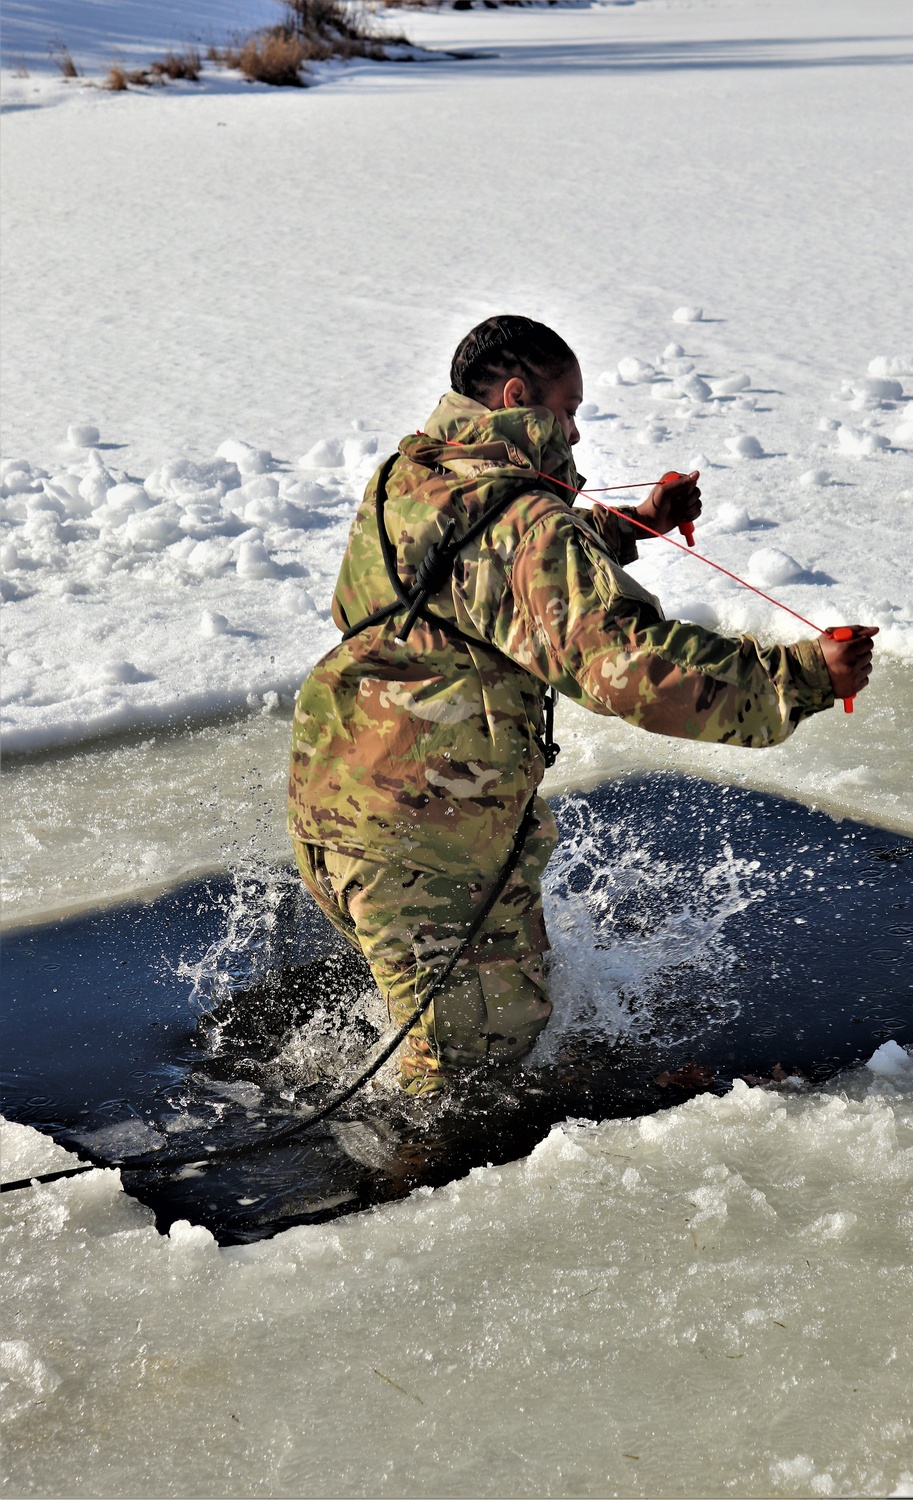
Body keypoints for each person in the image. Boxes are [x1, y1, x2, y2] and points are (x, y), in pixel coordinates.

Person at [288, 315, 876, 1095]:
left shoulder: (410, 477)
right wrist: (803, 675)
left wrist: (633, 525)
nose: (573, 430)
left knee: (472, 1033)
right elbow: (627, 668)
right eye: (568, 410)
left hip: (336, 802)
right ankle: (407, 1186)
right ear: (515, 395)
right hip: (427, 839)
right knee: (470, 1078)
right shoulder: (524, 521)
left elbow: (484, 566)